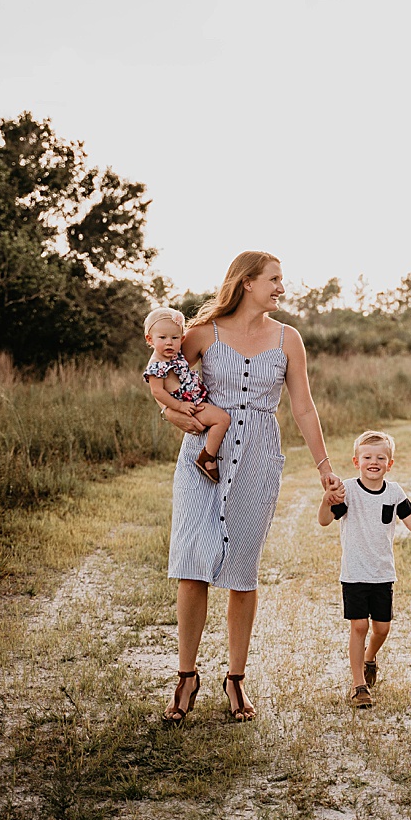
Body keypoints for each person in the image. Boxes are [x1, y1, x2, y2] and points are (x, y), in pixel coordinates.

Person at [157, 251, 344, 725]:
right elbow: (160, 378)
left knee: (243, 568)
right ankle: (186, 675)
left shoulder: (288, 339)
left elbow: (303, 406)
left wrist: (324, 466)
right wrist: (179, 416)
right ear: (247, 283)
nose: (281, 287)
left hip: (259, 455)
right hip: (204, 455)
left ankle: (235, 678)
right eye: (274, 279)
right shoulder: (202, 334)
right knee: (192, 562)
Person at [318, 431, 411, 708]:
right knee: (359, 626)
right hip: (354, 573)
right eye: (367, 457)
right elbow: (323, 521)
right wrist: (326, 500)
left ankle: (370, 658)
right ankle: (359, 685)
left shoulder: (394, 493)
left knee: (382, 628)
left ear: (390, 464)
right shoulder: (347, 490)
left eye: (381, 457)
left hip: (382, 574)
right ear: (356, 461)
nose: (374, 461)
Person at [142, 306, 231, 481]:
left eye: (175, 338)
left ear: (182, 338)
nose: (169, 342)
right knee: (222, 419)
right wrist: (180, 407)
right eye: (162, 338)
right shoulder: (156, 367)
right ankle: (207, 458)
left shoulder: (174, 356)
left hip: (195, 399)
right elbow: (157, 392)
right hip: (190, 405)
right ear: (149, 339)